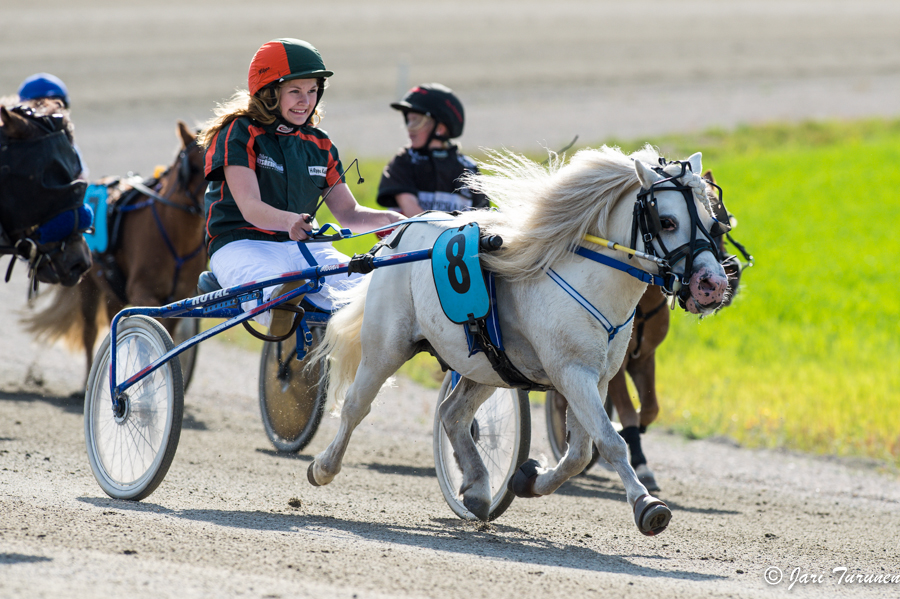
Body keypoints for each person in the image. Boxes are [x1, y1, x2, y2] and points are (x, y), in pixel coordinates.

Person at [198, 38, 403, 335]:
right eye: (295, 91)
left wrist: (395, 221)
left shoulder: (320, 143)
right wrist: (289, 221)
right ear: (269, 94)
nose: (305, 101)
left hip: (304, 248)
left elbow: (348, 213)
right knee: (277, 292)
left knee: (374, 293)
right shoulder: (240, 132)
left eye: (312, 91)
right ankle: (281, 306)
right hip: (242, 244)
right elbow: (250, 206)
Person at [376, 83, 488, 217]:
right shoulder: (403, 162)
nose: (409, 128)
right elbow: (412, 212)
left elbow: (483, 219)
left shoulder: (468, 169)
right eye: (408, 120)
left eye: (417, 121)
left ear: (440, 129)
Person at [17, 72, 89, 180]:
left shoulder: (67, 144)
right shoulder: (12, 145)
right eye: (39, 106)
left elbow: (80, 180)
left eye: (56, 107)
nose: (48, 113)